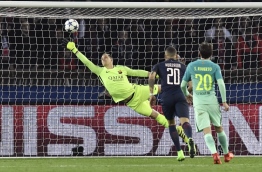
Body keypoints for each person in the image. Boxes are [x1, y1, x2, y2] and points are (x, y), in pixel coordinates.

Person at [61, 39, 169, 128]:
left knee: (163, 87)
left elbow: (136, 72)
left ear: (111, 60)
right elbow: (86, 62)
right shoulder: (100, 71)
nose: (104, 57)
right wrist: (74, 50)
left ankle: (181, 89)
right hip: (132, 103)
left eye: (106, 56)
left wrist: (154, 75)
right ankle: (178, 130)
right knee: (155, 115)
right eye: (102, 57)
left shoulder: (121, 68)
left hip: (137, 91)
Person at [180, 42, 234, 164]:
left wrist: (187, 95)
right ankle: (226, 154)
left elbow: (182, 85)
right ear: (211, 53)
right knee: (219, 128)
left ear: (199, 53)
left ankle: (214, 154)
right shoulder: (215, 67)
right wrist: (224, 102)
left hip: (198, 102)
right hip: (212, 101)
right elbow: (221, 84)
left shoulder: (191, 65)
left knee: (206, 130)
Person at [148, 47, 196, 161]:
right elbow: (191, 85)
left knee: (171, 124)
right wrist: (188, 93)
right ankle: (189, 139)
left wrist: (151, 94)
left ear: (165, 56)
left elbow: (151, 76)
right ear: (176, 55)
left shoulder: (159, 65)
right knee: (185, 122)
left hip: (166, 97)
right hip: (180, 96)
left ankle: (179, 153)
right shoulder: (183, 66)